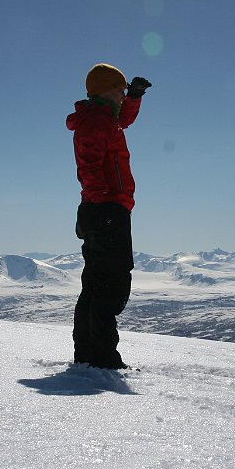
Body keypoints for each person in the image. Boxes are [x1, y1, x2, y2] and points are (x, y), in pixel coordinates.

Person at [66, 63, 151, 369]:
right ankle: (102, 357)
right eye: (121, 89)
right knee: (110, 284)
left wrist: (136, 97)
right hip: (106, 209)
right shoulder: (97, 122)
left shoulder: (103, 117)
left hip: (101, 208)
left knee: (95, 283)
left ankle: (89, 354)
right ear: (106, 90)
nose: (123, 93)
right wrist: (103, 201)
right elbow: (88, 164)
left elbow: (123, 118)